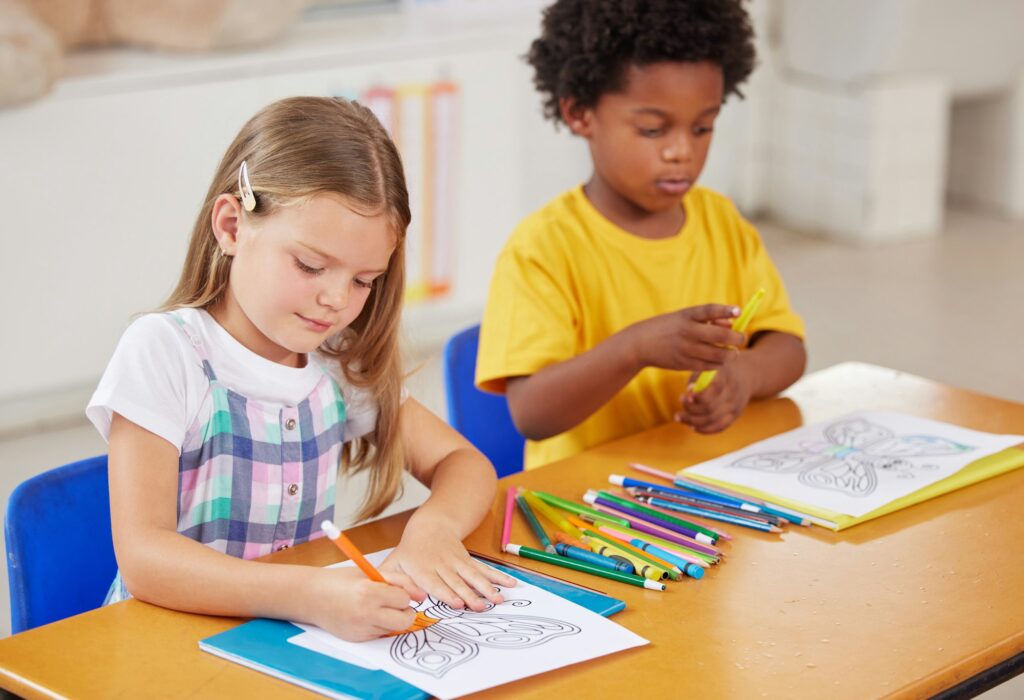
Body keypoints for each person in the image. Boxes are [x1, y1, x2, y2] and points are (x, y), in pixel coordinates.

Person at [87, 96, 513, 642]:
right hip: (167, 646)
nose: (337, 300)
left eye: (364, 280)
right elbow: (146, 558)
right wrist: (308, 594)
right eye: (311, 265)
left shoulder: (335, 363)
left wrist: (432, 530)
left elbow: (464, 463)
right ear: (232, 227)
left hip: (286, 640)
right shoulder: (166, 351)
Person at [477, 0, 807, 469]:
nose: (681, 151)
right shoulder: (543, 248)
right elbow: (533, 413)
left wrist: (746, 375)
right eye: (653, 129)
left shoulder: (722, 222)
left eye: (702, 127)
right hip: (591, 503)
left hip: (705, 486)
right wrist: (633, 350)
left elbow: (787, 346)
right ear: (579, 114)